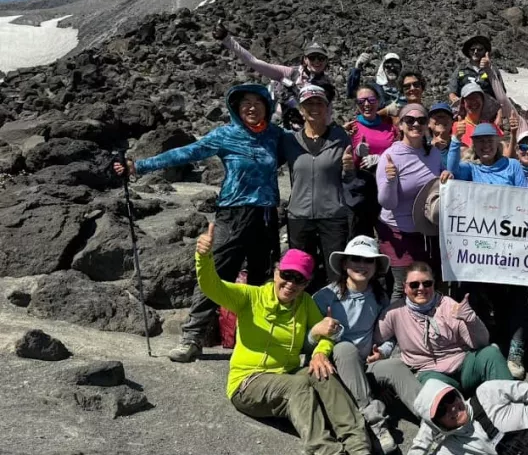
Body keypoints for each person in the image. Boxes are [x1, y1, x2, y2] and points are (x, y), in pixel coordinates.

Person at [113, 84, 281, 363]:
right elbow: (187, 153)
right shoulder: (225, 135)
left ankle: (254, 340)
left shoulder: (276, 136)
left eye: (257, 102)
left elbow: (309, 144)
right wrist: (139, 166)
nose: (251, 107)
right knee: (215, 275)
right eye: (245, 103)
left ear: (266, 106)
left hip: (266, 216)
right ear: (237, 109)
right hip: (233, 214)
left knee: (262, 282)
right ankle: (192, 337)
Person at [193, 225, 371, 454]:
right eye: (286, 275)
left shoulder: (305, 302)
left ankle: (359, 446)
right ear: (276, 272)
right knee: (296, 385)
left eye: (299, 280)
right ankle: (327, 450)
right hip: (248, 382)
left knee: (324, 373)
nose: (290, 284)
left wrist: (319, 353)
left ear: (306, 284)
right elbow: (211, 286)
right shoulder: (251, 297)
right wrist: (204, 256)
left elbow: (326, 334)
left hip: (285, 374)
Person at [311, 236, 423, 453]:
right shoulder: (324, 297)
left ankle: (436, 416)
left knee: (396, 366)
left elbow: (388, 337)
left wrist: (383, 351)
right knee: (345, 348)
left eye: (368, 260)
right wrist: (316, 332)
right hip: (333, 370)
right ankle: (376, 423)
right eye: (355, 259)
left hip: (365, 367)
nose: (361, 265)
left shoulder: (379, 298)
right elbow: (306, 341)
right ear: (344, 264)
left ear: (375, 267)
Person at [446, 121, 528, 378]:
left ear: (498, 143)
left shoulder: (513, 165)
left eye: (489, 141)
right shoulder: (470, 169)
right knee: (484, 297)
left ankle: (515, 351)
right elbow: (452, 170)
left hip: (511, 245)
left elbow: (526, 198)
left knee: (515, 298)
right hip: (481, 248)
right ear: (474, 145)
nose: (485, 145)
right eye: (480, 141)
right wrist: (453, 141)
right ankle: (490, 347)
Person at [375, 263, 513, 395]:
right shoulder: (394, 313)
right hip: (430, 372)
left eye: (427, 283)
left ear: (434, 284)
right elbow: (378, 339)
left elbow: (480, 343)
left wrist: (472, 320)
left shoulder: (448, 305)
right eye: (414, 285)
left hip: (462, 365)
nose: (421, 288)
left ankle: (512, 404)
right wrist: (382, 353)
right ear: (405, 287)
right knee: (431, 385)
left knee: (491, 353)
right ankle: (463, 413)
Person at [282, 85, 357, 292]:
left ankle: (335, 317)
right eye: (308, 104)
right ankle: (302, 318)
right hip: (299, 216)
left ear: (327, 107)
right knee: (299, 273)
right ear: (301, 109)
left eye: (319, 103)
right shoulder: (289, 140)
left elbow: (348, 179)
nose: (314, 107)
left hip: (333, 216)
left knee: (336, 274)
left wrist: (349, 169)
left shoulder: (340, 137)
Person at [376, 104, 444, 299]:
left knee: (426, 286)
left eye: (421, 120)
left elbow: (437, 186)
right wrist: (390, 181)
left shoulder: (434, 154)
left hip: (426, 233)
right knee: (403, 286)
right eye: (410, 120)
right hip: (398, 233)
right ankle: (391, 328)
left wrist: (447, 175)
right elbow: (387, 203)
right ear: (401, 125)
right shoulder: (390, 157)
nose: (416, 124)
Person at [214, 23, 334, 129]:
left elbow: (327, 115)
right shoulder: (290, 73)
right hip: (281, 128)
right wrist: (227, 39)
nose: (317, 61)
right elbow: (254, 62)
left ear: (326, 61)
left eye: (321, 58)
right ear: (305, 59)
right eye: (312, 57)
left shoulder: (327, 85)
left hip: (309, 132)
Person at [351, 83, 399, 238]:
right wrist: (357, 154)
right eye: (361, 101)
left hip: (387, 186)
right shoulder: (352, 127)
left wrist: (381, 158)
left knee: (388, 235)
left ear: (378, 101)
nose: (366, 104)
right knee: (363, 235)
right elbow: (346, 161)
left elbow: (399, 152)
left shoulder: (390, 125)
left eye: (371, 100)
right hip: (363, 191)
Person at [447, 34, 513, 123]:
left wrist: (499, 116)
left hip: (488, 116)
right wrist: (457, 104)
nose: (475, 52)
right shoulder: (460, 69)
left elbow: (500, 94)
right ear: (468, 51)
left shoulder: (492, 70)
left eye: (480, 49)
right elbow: (452, 92)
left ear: (486, 52)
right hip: (465, 114)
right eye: (472, 49)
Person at [452, 83, 502, 148]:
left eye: (476, 97)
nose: (473, 102)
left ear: (483, 101)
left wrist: (513, 134)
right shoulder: (456, 126)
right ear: (463, 103)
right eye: (469, 98)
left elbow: (502, 151)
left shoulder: (492, 127)